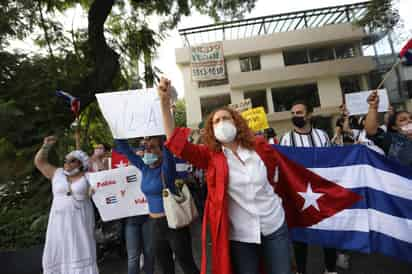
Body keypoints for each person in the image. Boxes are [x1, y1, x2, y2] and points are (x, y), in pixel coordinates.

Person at [158, 77, 291, 274]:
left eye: (225, 118)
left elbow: (276, 177)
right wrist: (164, 102)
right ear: (211, 130)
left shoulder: (260, 147)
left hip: (274, 225)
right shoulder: (210, 157)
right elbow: (176, 143)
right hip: (241, 235)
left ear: (236, 122)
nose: (221, 122)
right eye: (216, 121)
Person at [114, 136, 199, 274]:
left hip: (173, 224)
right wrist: (119, 130)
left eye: (152, 147)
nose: (147, 150)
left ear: (161, 150)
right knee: (164, 267)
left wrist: (161, 132)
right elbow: (125, 149)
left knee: (187, 265)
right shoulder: (144, 168)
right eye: (145, 147)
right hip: (154, 224)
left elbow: (168, 144)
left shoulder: (167, 169)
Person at [279, 101, 336, 274]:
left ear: (309, 114)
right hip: (297, 195)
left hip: (322, 192)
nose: (295, 116)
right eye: (293, 113)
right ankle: (301, 271)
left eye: (299, 112)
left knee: (328, 232)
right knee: (300, 237)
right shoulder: (286, 139)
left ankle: (330, 269)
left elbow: (331, 161)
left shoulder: (322, 136)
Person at [34, 136, 99, 274]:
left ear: (81, 164)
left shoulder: (88, 177)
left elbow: (103, 185)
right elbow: (39, 162)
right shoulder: (57, 173)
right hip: (58, 222)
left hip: (79, 221)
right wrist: (46, 146)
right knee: (59, 248)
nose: (67, 162)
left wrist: (94, 190)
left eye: (72, 160)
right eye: (66, 160)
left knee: (79, 248)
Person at [365, 90, 412, 167]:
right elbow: (372, 131)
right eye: (403, 120)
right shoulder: (392, 139)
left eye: (411, 118)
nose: (409, 121)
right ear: (395, 127)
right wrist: (373, 107)